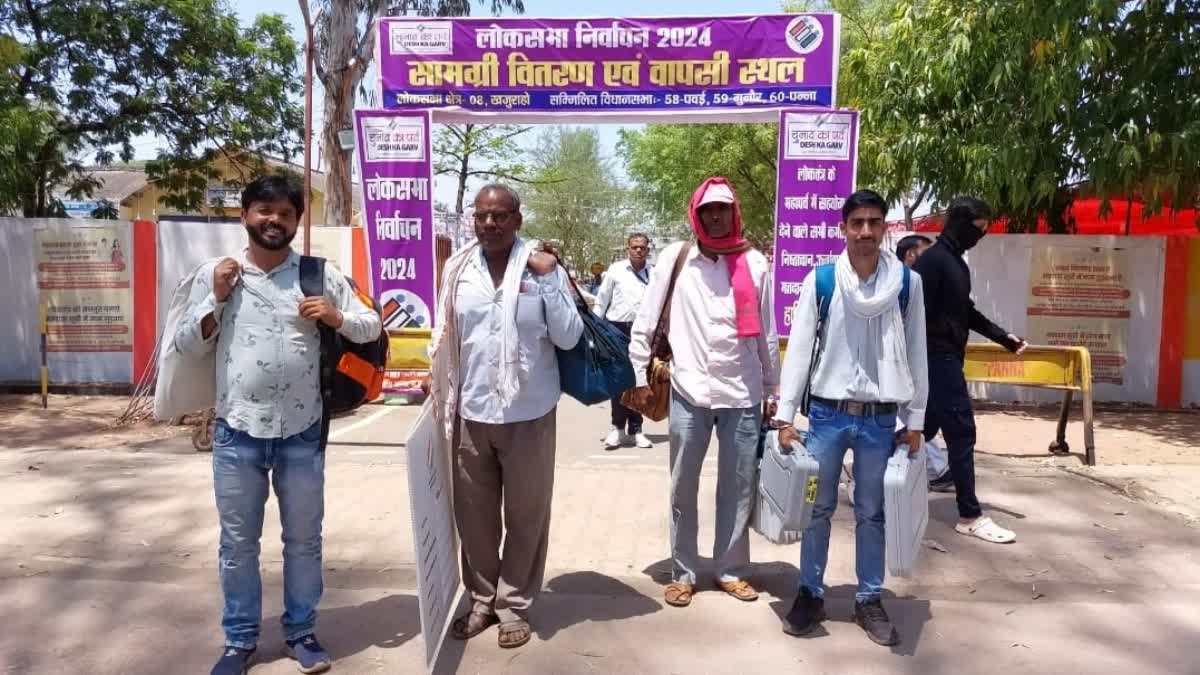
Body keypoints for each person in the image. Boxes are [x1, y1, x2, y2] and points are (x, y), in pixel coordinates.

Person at [174, 175, 382, 675]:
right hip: (237, 433)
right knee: (237, 544)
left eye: (285, 214)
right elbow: (184, 344)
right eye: (264, 210)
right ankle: (240, 640)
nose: (274, 220)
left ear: (296, 221)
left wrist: (336, 317)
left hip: (302, 432)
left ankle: (302, 632)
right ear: (244, 215)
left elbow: (372, 325)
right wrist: (216, 300)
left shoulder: (319, 273)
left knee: (305, 541)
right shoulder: (218, 274)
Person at [427, 184, 583, 650]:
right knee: (473, 518)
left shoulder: (542, 268)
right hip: (472, 411)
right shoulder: (456, 270)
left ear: (518, 219)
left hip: (530, 412)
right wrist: (433, 382)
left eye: (499, 216)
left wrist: (552, 280)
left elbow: (570, 337)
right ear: (472, 220)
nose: (489, 224)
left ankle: (515, 604)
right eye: (481, 216)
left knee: (526, 515)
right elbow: (445, 332)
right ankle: (481, 600)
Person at [773, 189, 928, 647]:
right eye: (856, 222)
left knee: (873, 513)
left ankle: (868, 598)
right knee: (816, 508)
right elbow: (799, 349)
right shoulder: (821, 281)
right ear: (842, 228)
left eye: (873, 222)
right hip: (826, 415)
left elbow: (917, 351)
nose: (864, 231)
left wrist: (914, 419)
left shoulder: (905, 284)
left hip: (880, 420)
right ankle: (811, 592)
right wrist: (785, 417)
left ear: (885, 228)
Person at [627, 177, 780, 609]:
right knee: (682, 486)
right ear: (696, 214)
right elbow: (646, 321)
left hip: (742, 390)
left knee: (737, 485)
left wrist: (773, 389)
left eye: (723, 209)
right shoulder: (677, 260)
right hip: (688, 390)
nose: (716, 217)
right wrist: (641, 377)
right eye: (708, 210)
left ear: (735, 213)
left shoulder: (755, 264)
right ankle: (684, 572)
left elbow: (767, 332)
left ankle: (731, 570)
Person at [913, 197, 1025, 544]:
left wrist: (1003, 338)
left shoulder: (954, 264)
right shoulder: (933, 263)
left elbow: (966, 312)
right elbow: (912, 315)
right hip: (937, 359)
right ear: (961, 223)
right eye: (979, 228)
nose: (983, 235)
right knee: (961, 433)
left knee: (924, 428)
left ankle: (871, 484)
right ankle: (969, 514)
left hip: (944, 359)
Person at [594, 233, 655, 449]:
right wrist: (596, 330)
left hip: (641, 333)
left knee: (639, 380)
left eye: (642, 247)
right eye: (634, 247)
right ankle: (617, 429)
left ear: (648, 250)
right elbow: (601, 301)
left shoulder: (654, 274)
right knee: (619, 381)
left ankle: (637, 430)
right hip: (616, 329)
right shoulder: (616, 270)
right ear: (627, 249)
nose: (638, 250)